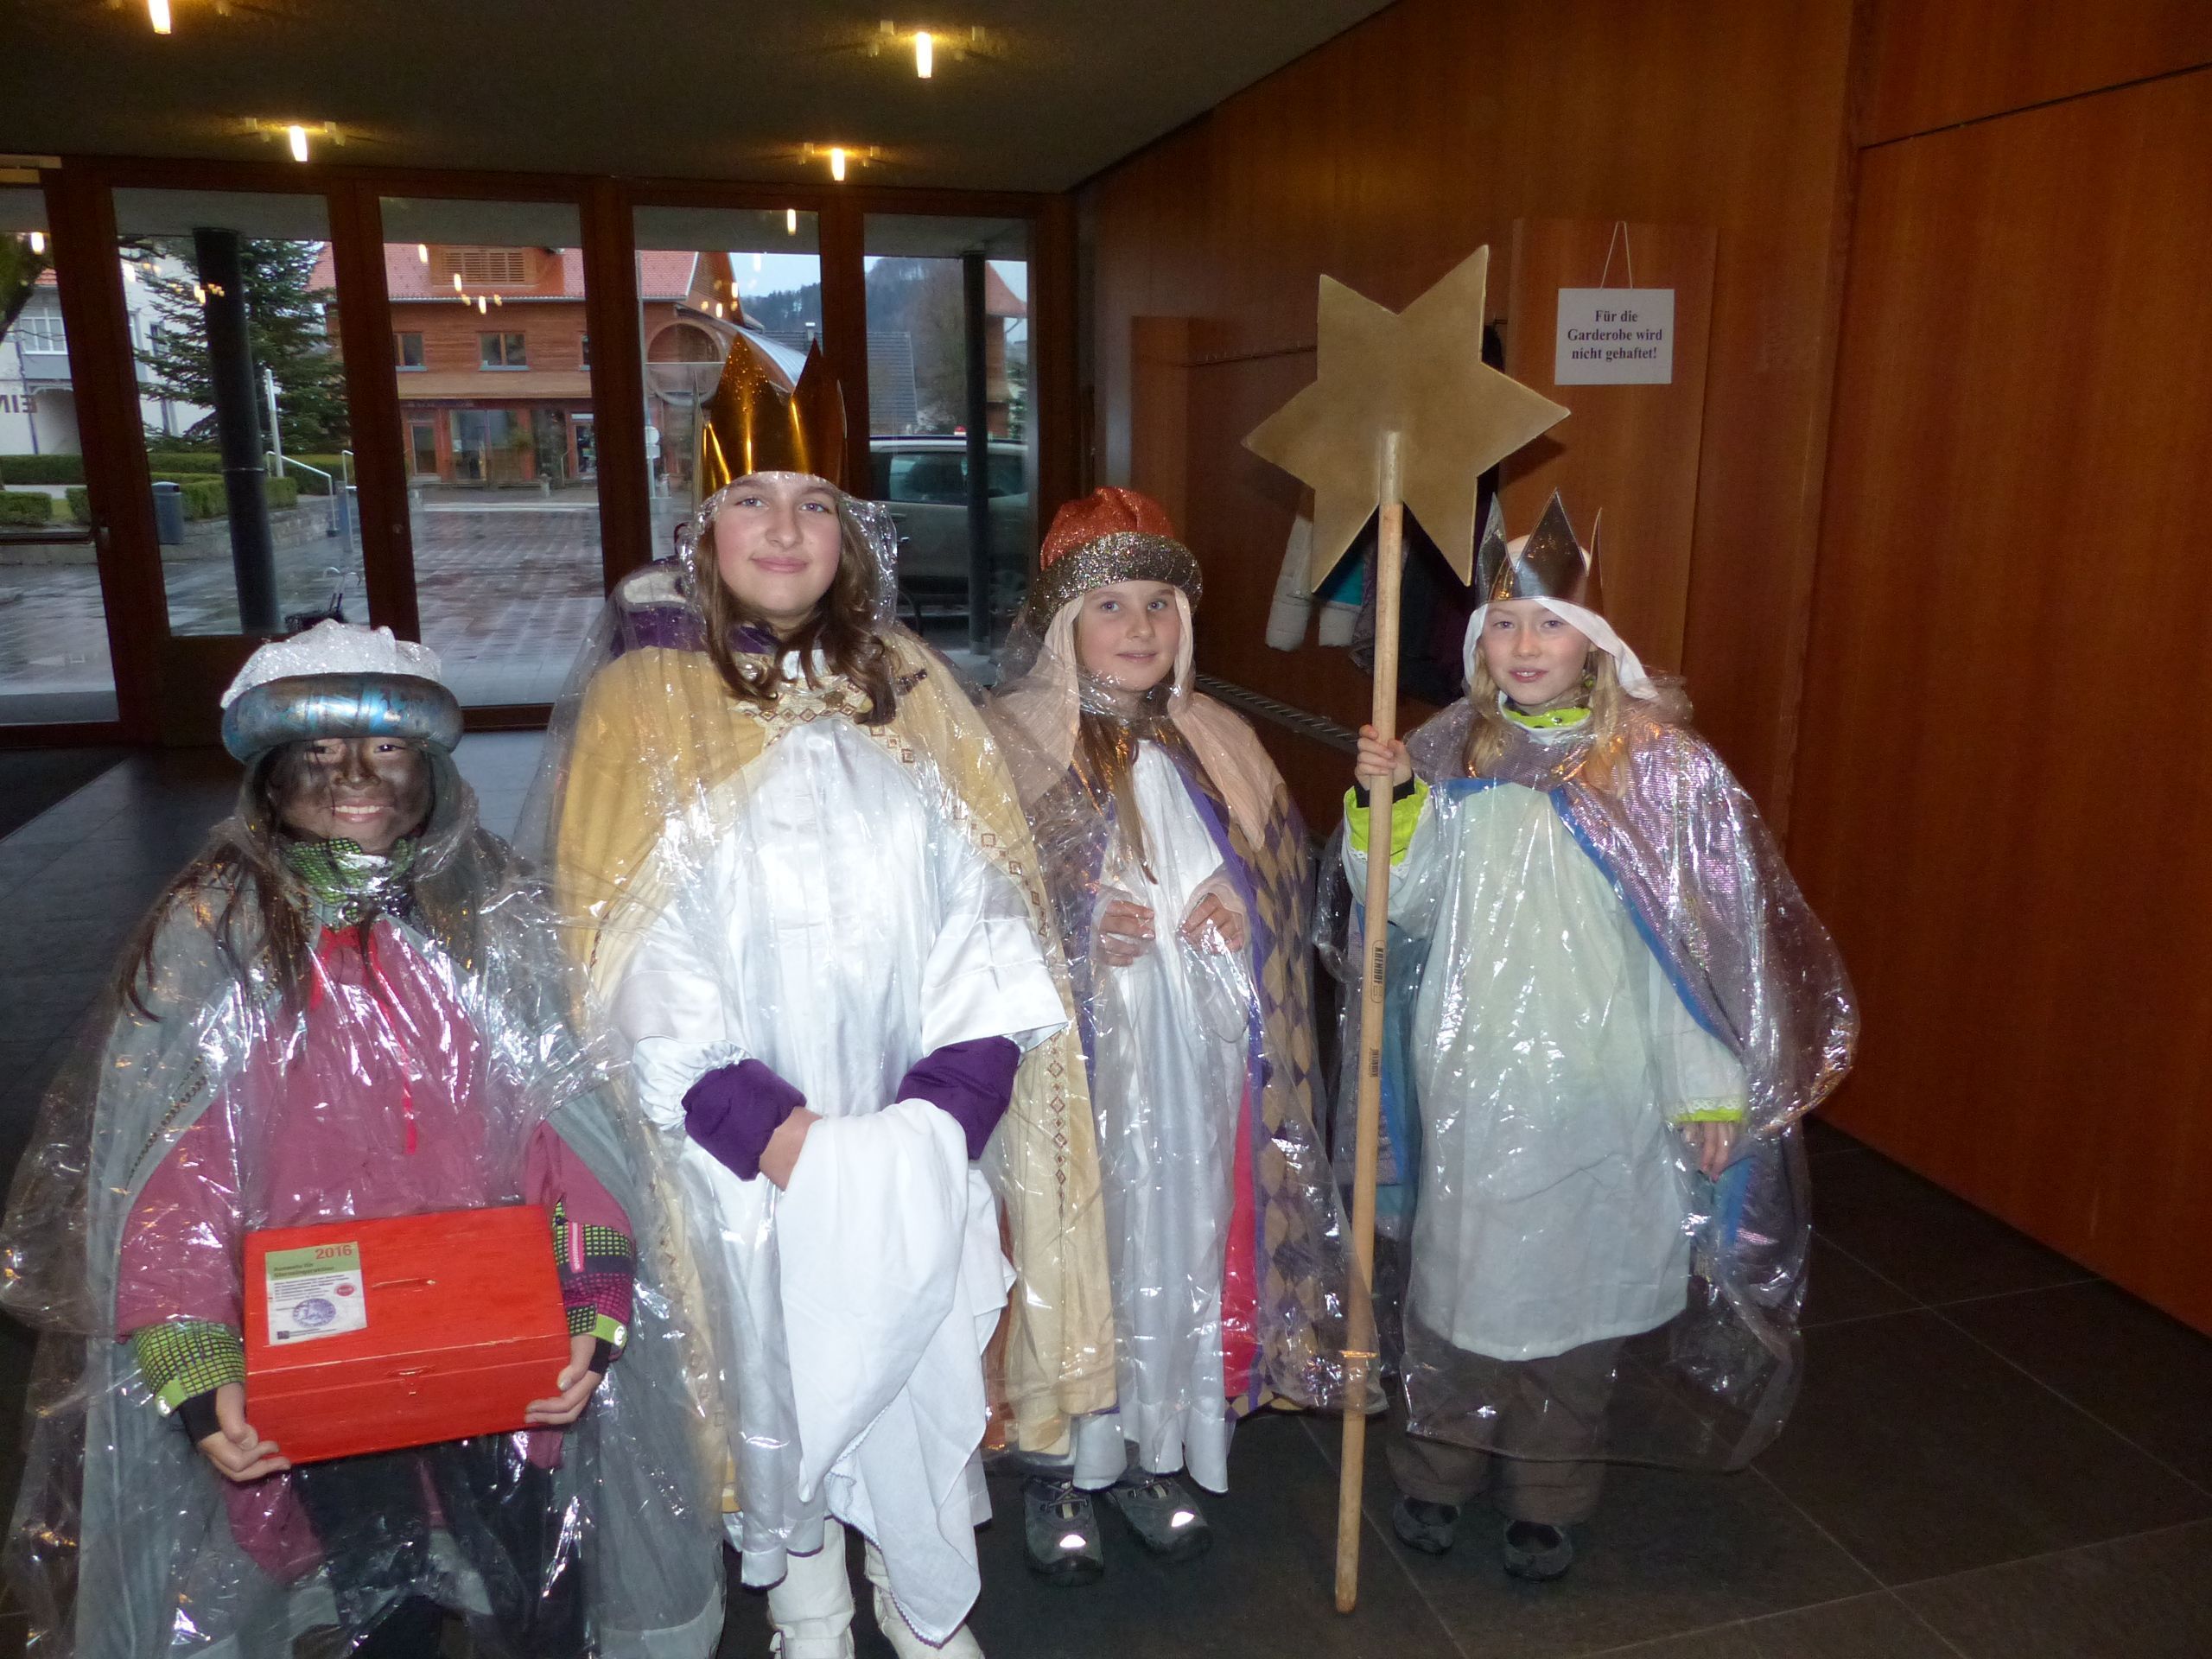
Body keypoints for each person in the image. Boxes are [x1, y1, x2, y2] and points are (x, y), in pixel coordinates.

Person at [527, 340, 1112, 1659]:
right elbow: (625, 940)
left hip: (915, 1121)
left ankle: (917, 1579)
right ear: (703, 531)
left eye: (813, 504)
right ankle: (808, 1604)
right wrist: (768, 1130)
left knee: (914, 1339)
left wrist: (947, 1108)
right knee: (774, 1354)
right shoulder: (641, 703)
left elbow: (986, 905)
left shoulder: (913, 687)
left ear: (851, 534)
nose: (784, 529)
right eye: (751, 501)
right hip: (742, 1145)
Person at [0, 621, 721, 1658]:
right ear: (268, 773)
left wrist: (593, 1300)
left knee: (537, 1583)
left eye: (385, 749)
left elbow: (570, 1128)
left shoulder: (490, 917)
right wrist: (195, 1367)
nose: (354, 779)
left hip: (495, 1333)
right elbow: (173, 1189)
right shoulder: (215, 939)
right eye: (320, 753)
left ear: (430, 766)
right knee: (379, 1598)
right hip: (324, 1349)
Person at [1343, 495, 1856, 1581]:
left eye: (1550, 622)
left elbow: (1696, 953)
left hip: (1601, 1084)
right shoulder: (1448, 752)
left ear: (1595, 642)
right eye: (1504, 624)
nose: (1525, 645)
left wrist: (1709, 1087)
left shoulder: (1657, 771)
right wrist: (1387, 807)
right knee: (1454, 1287)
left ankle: (1550, 1492)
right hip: (1474, 1074)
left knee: (1571, 1303)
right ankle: (1435, 1471)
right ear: (1477, 643)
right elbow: (1401, 906)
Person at [988, 488, 1353, 1584]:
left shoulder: (1222, 738)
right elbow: (969, 903)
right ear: (1064, 622)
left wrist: (1246, 906)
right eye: (1110, 604)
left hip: (1200, 1069)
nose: (1139, 626)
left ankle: (1149, 1452)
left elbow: (1285, 883)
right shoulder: (1007, 740)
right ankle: (1059, 1465)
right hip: (1077, 1078)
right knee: (1077, 1251)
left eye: (1158, 602)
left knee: (1183, 1240)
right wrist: (1072, 923)